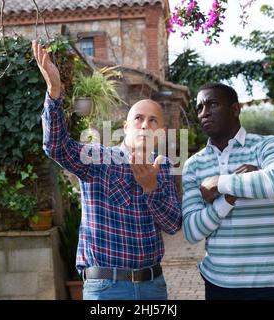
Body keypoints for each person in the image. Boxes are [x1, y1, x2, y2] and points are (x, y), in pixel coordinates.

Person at [32, 40, 181, 300]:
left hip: (152, 286)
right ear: (126, 126)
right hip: (107, 289)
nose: (145, 125)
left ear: (161, 132)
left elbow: (172, 225)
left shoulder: (164, 167)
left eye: (153, 120)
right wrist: (54, 91)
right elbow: (55, 146)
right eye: (139, 118)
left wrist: (151, 188)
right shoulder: (99, 159)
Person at [182, 83, 274, 300]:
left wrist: (220, 183)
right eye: (199, 107)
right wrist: (229, 198)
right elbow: (192, 231)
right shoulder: (194, 165)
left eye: (212, 104)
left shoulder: (267, 146)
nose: (204, 113)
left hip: (272, 282)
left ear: (235, 109)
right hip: (218, 283)